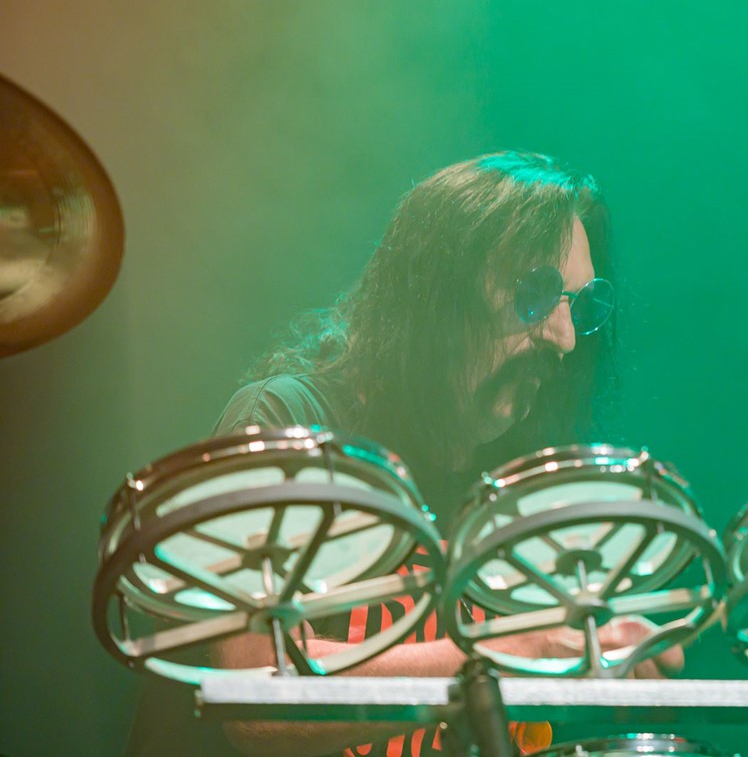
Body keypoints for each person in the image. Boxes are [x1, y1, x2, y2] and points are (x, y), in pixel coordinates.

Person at [124, 151, 682, 757]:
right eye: (536, 293)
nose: (565, 338)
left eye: (580, 304)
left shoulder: (509, 483)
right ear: (437, 297)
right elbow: (259, 696)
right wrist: (521, 650)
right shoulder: (288, 421)